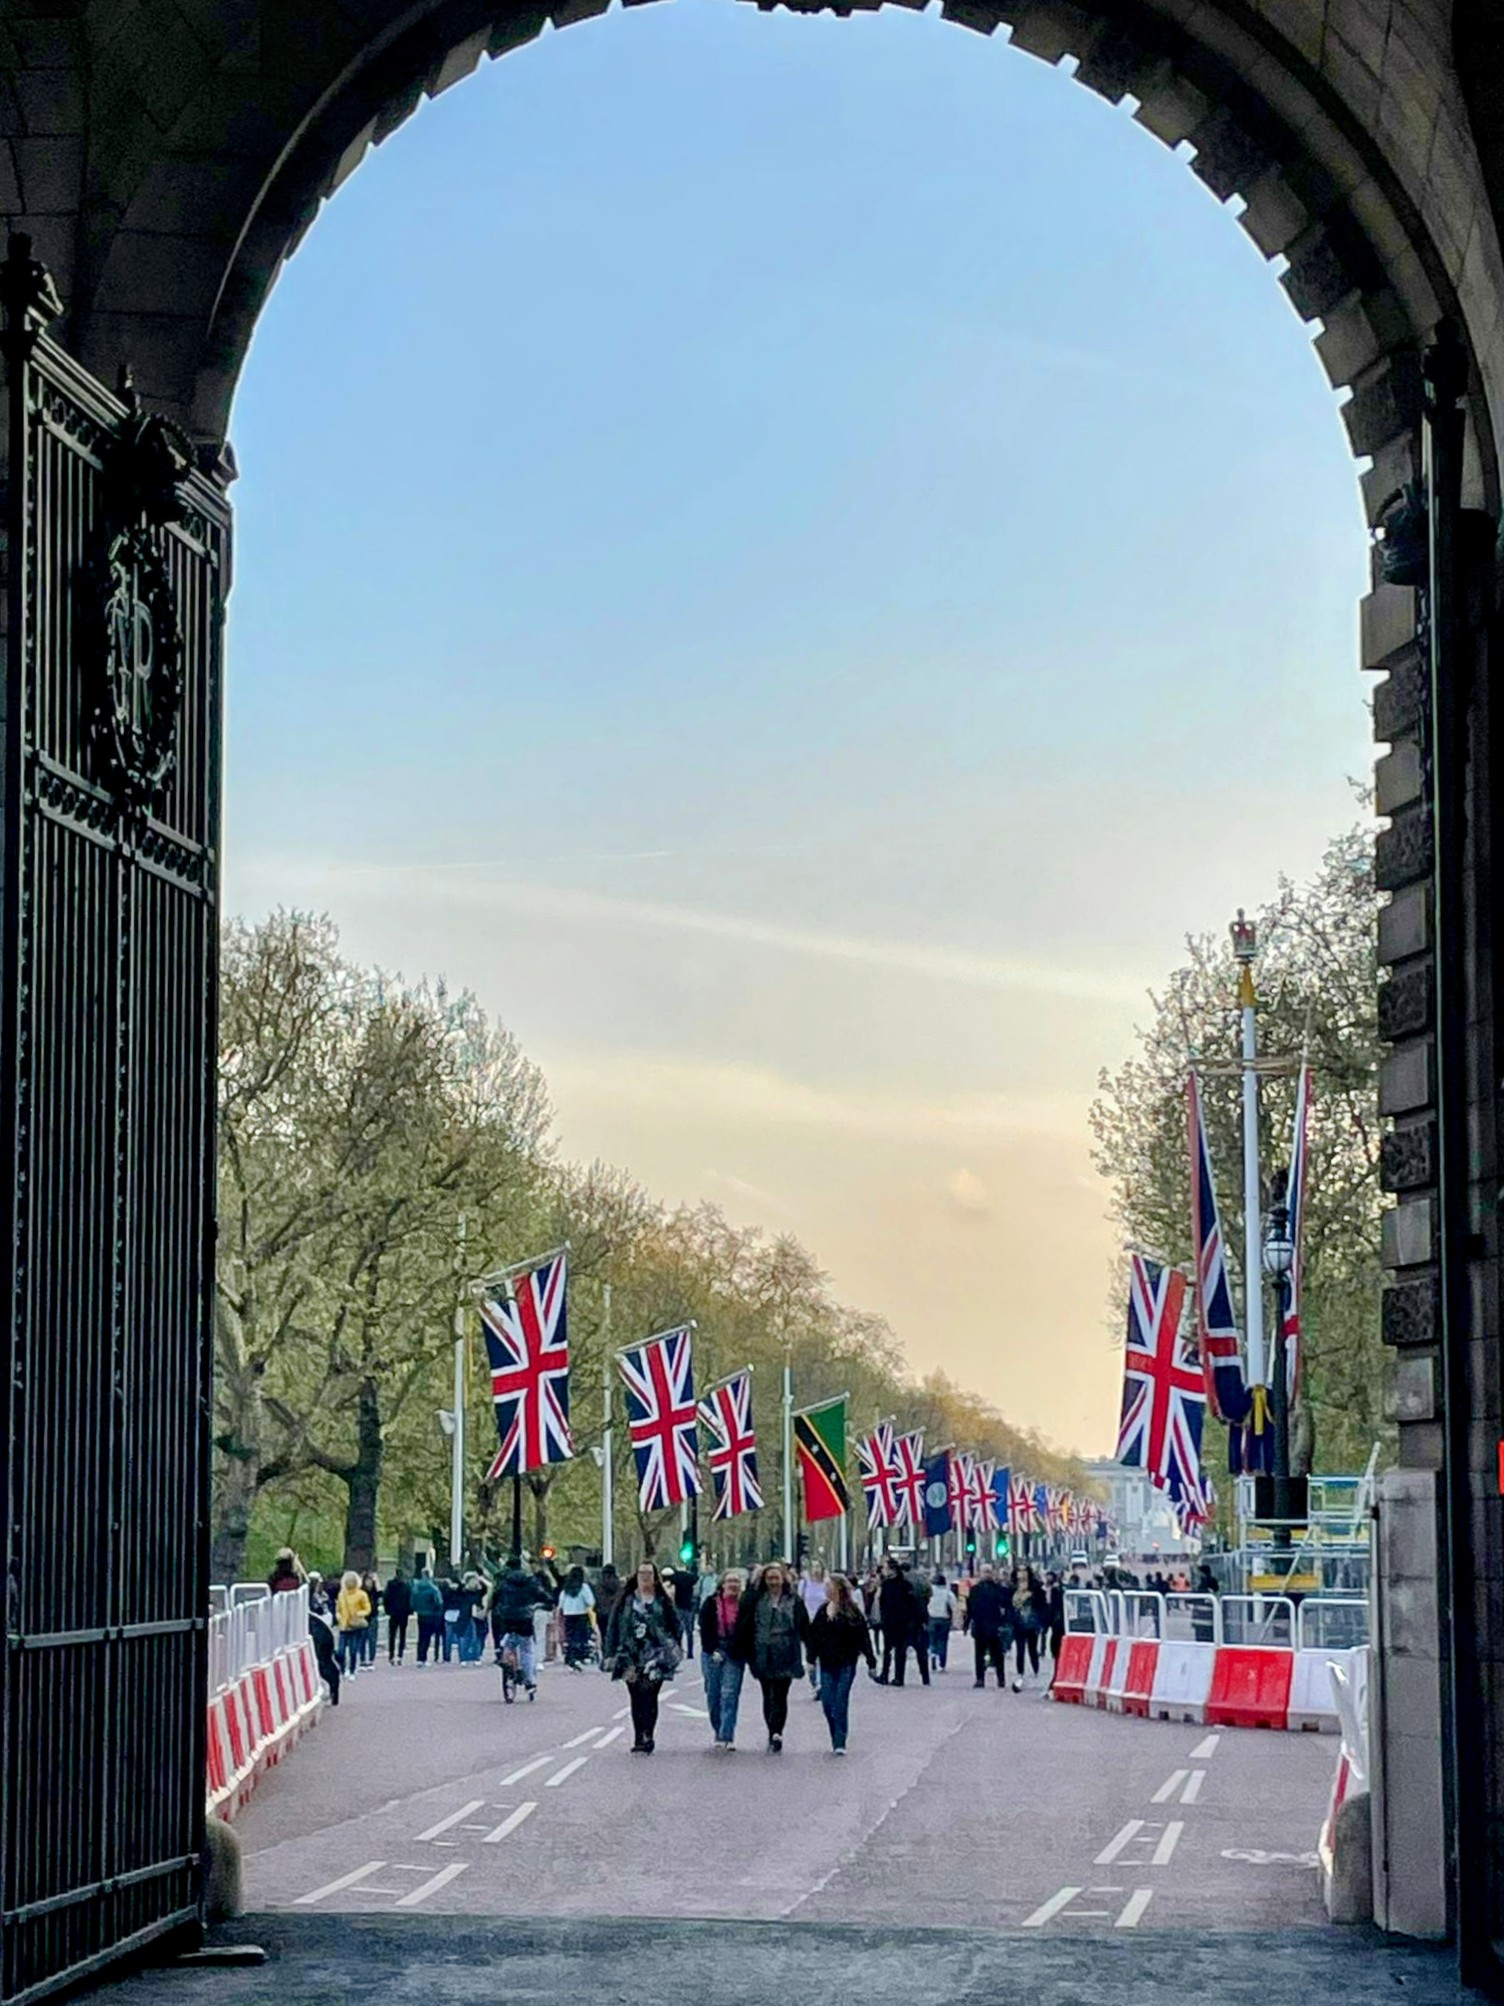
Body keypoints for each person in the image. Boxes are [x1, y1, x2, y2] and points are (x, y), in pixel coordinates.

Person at [605, 1560, 681, 1753]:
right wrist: (610, 1652)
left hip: (655, 1655)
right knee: (636, 1695)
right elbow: (614, 1626)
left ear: (655, 1577)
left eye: (649, 1573)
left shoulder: (662, 1600)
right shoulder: (626, 1600)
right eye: (642, 1573)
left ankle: (648, 1733)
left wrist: (672, 1647)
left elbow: (675, 1625)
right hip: (630, 1655)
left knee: (650, 1694)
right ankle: (639, 1735)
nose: (645, 1576)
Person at [734, 1559, 811, 1751]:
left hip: (786, 1651)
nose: (773, 1582)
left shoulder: (794, 1600)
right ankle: (771, 1730)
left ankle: (778, 1731)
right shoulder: (757, 1599)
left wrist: (812, 1652)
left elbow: (804, 1627)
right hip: (762, 1652)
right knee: (767, 1694)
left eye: (776, 1578)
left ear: (783, 1579)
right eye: (769, 1578)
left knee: (780, 1694)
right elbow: (745, 1617)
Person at [808, 1574, 875, 1754]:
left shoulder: (852, 1611)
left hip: (846, 1662)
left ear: (838, 1588)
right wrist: (810, 1659)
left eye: (829, 1586)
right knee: (827, 1703)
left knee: (840, 1700)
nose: (826, 1589)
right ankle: (834, 1732)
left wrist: (871, 1661)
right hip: (827, 1662)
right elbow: (814, 1636)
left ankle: (840, 1741)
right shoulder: (823, 1611)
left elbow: (863, 1637)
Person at [488, 1557, 552, 1698]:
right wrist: (546, 1602)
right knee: (527, 1648)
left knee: (508, 1641)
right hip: (524, 1617)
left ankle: (506, 1660)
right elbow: (543, 1595)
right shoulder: (530, 1581)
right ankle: (530, 1680)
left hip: (506, 1616)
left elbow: (495, 1597)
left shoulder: (503, 1581)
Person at [698, 1568, 747, 1749]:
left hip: (734, 1653)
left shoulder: (744, 1605)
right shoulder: (711, 1603)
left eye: (737, 1582)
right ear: (722, 1584)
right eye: (730, 1581)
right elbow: (704, 1627)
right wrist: (712, 1649)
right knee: (713, 1693)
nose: (733, 1585)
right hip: (713, 1650)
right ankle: (718, 1728)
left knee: (729, 1693)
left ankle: (727, 1735)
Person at [963, 1563, 1008, 1689]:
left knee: (998, 1654)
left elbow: (1005, 1607)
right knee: (979, 1654)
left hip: (995, 1626)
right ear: (980, 1574)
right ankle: (980, 1678)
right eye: (984, 1572)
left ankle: (1001, 1678)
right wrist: (966, 1624)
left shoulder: (998, 1589)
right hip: (980, 1627)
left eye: (988, 1572)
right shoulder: (975, 1590)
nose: (987, 1574)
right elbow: (970, 1609)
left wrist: (1004, 1623)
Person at [1010, 1565, 1047, 1689]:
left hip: (1032, 1623)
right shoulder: (1013, 1588)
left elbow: (1042, 1606)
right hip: (1018, 1623)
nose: (1021, 1574)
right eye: (1019, 1571)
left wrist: (1042, 1623)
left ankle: (1035, 1670)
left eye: (1024, 1571)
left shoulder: (1035, 1588)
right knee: (1019, 1650)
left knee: (1032, 1649)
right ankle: (1020, 1673)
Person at [558, 1565, 597, 1669]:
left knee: (570, 1637)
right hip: (581, 1614)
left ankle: (571, 1656)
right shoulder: (584, 1587)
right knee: (582, 1636)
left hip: (568, 1615)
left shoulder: (566, 1588)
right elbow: (590, 1601)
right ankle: (581, 1655)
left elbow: (561, 1604)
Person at [335, 1569, 371, 1679]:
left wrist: (360, 1614)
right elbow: (338, 1609)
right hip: (344, 1626)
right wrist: (338, 1616)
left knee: (353, 1650)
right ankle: (342, 1669)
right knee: (340, 1651)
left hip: (355, 1626)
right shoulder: (341, 1595)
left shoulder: (362, 1594)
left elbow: (367, 1608)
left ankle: (351, 1670)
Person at [798, 1563, 827, 1697]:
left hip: (823, 1622)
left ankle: (821, 1684)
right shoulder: (804, 1584)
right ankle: (814, 1681)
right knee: (810, 1656)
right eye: (814, 1567)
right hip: (808, 1623)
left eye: (818, 1567)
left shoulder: (826, 1584)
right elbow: (799, 1602)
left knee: (822, 1654)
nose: (816, 1570)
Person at [411, 1567, 445, 1666]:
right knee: (427, 1636)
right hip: (431, 1614)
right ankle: (424, 1658)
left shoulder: (416, 1587)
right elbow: (439, 1602)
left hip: (420, 1614)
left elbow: (412, 1601)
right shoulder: (433, 1588)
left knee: (421, 1636)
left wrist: (415, 1609)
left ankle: (419, 1657)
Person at [927, 1572, 957, 1672]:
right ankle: (942, 1663)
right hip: (944, 1619)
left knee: (932, 1639)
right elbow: (954, 1606)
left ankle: (932, 1653)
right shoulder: (948, 1593)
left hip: (931, 1618)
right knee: (943, 1641)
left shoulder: (930, 1592)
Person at [384, 1568, 412, 1664]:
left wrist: (387, 1610)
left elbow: (386, 1598)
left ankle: (391, 1655)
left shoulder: (390, 1585)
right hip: (403, 1613)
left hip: (393, 1612)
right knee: (402, 1635)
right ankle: (400, 1655)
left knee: (392, 1635)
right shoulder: (406, 1585)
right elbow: (409, 1599)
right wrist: (410, 1611)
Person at [669, 1566, 698, 1660]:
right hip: (688, 1607)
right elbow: (696, 1578)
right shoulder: (690, 1578)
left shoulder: (676, 1578)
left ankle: (679, 1650)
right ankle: (690, 1652)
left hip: (678, 1606)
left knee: (679, 1631)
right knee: (689, 1631)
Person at [359, 1568, 382, 1666]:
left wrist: (376, 1581)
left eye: (370, 1581)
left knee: (372, 1639)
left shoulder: (374, 1592)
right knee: (362, 1639)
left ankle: (371, 1659)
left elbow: (381, 1593)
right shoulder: (361, 1592)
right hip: (363, 1617)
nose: (369, 1583)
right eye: (367, 1581)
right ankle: (362, 1659)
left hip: (373, 1616)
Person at [1045, 1572, 1066, 1663]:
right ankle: (1055, 1652)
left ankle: (1057, 1652)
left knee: (1058, 1635)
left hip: (1060, 1615)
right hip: (1055, 1616)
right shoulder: (1054, 1590)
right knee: (1055, 1635)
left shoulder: (1061, 1590)